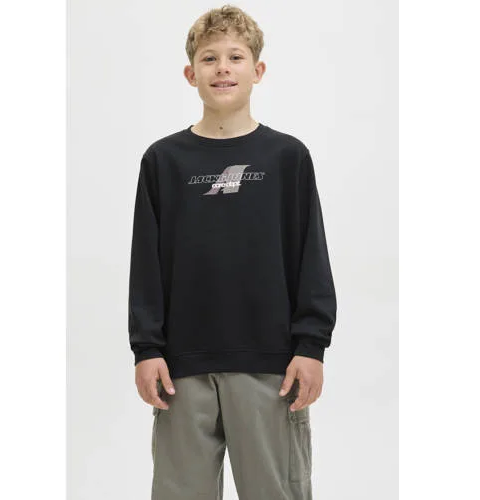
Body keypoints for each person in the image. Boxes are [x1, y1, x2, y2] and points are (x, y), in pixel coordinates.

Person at [128, 5, 337, 499]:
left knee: (275, 491)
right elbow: (145, 263)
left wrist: (311, 346)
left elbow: (310, 254)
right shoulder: (163, 161)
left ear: (257, 70)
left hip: (270, 365)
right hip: (181, 369)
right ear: (191, 74)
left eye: (235, 57)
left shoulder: (287, 158)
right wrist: (147, 349)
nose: (223, 68)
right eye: (209, 58)